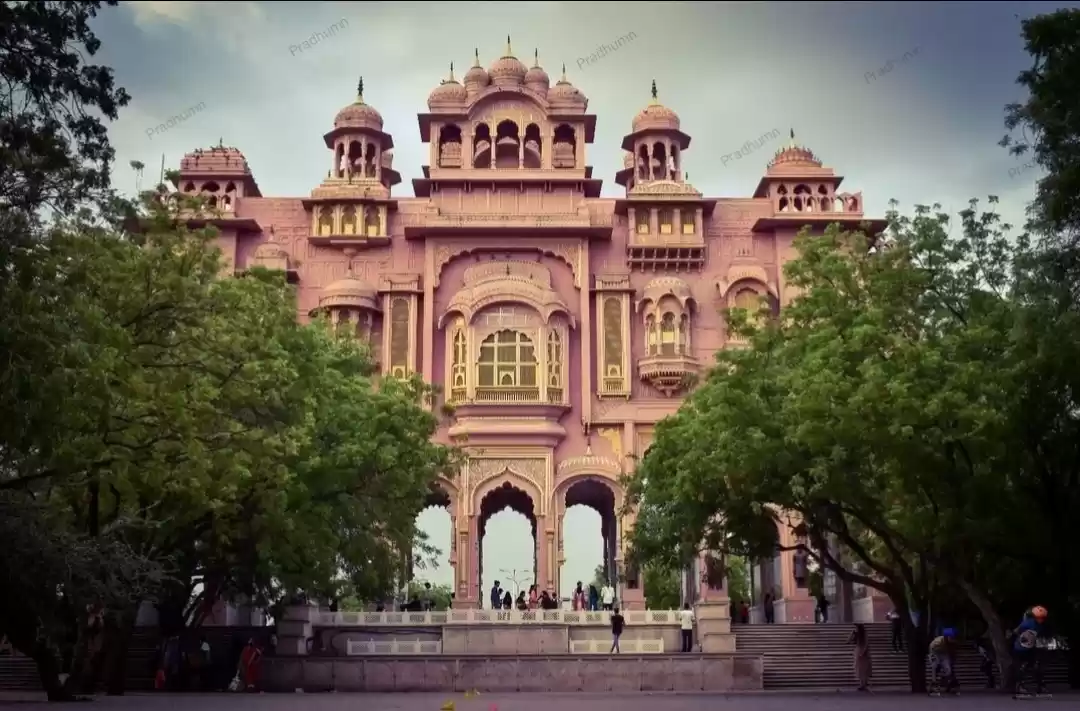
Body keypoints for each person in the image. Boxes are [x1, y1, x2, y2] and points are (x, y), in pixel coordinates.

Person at [1013, 605, 1049, 697]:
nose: (1041, 620)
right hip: (1021, 648)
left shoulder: (1040, 625)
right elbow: (1016, 631)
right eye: (1039, 618)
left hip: (1031, 647)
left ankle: (1040, 685)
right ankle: (1019, 686)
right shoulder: (1027, 624)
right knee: (1023, 666)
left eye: (1043, 618)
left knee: (1036, 665)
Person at [928, 628, 958, 695]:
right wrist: (934, 660)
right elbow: (931, 650)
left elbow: (953, 651)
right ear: (946, 637)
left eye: (953, 637)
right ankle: (934, 683)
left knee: (948, 670)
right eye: (951, 637)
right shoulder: (938, 642)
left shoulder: (953, 642)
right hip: (935, 653)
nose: (952, 639)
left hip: (944, 654)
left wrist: (952, 658)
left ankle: (944, 680)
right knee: (935, 667)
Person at [848, 623, 872, 692]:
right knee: (859, 668)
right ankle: (862, 684)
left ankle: (864, 684)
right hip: (858, 651)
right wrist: (852, 633)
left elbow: (866, 643)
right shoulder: (856, 634)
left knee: (864, 668)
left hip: (863, 652)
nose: (855, 629)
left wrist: (863, 652)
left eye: (856, 628)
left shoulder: (864, 634)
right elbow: (848, 641)